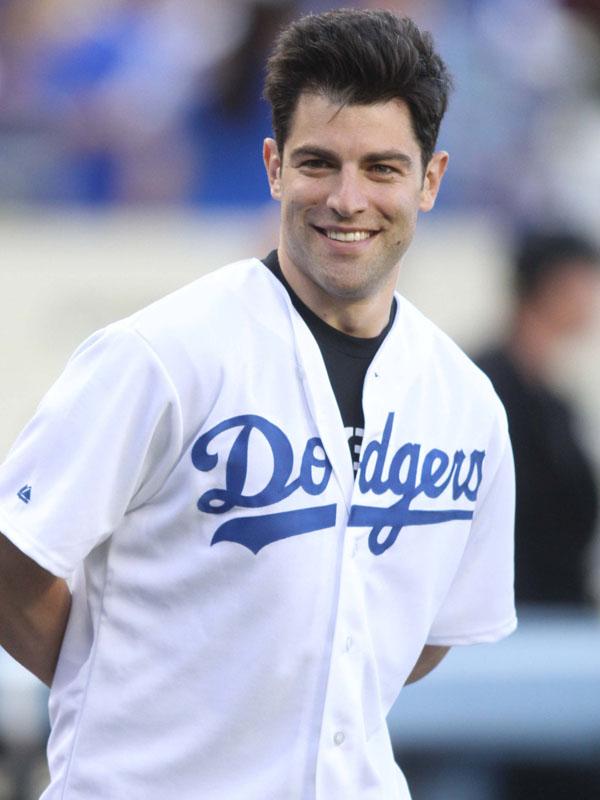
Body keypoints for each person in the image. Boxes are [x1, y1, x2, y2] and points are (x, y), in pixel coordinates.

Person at [0, 9, 516, 799]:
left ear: (431, 179)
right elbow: (16, 557)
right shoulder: (161, 353)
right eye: (319, 163)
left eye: (382, 167)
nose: (348, 199)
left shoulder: (466, 402)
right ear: (274, 166)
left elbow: (425, 637)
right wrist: (121, 685)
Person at [477, 229, 600, 609]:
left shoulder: (555, 403)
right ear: (555, 286)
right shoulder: (480, 389)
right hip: (511, 620)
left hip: (557, 616)